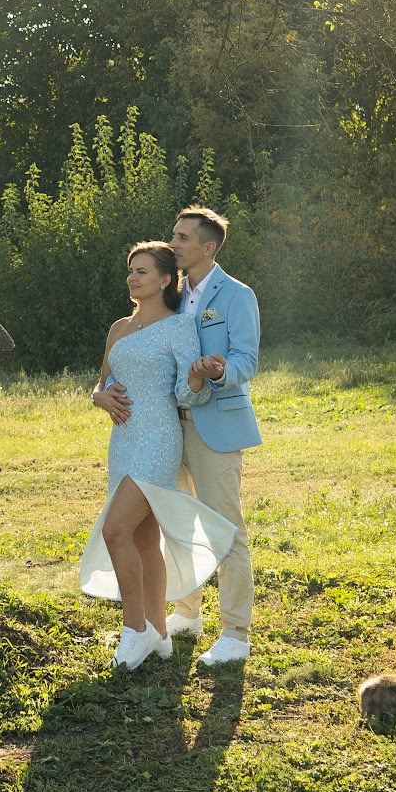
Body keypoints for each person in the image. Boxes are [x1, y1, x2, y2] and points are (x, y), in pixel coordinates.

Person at [92, 205, 261, 667]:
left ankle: (236, 633)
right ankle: (186, 613)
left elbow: (246, 359)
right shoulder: (174, 292)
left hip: (211, 424)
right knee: (172, 526)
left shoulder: (236, 295)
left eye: (183, 237)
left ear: (208, 247)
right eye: (174, 235)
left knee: (225, 527)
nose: (174, 243)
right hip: (162, 427)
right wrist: (101, 394)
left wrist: (216, 371)